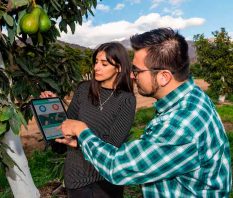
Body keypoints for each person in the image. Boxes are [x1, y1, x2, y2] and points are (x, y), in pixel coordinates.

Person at [56, 28, 232, 197]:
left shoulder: (180, 125)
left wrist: (81, 130)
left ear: (164, 76)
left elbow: (117, 167)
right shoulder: (193, 96)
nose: (132, 76)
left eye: (137, 71)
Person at [40, 42, 136, 198]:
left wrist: (78, 141)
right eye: (96, 62)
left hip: (106, 181)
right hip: (76, 177)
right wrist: (52, 109)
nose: (96, 67)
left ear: (119, 67)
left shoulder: (126, 100)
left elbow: (113, 145)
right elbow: (66, 128)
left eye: (104, 64)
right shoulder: (84, 89)